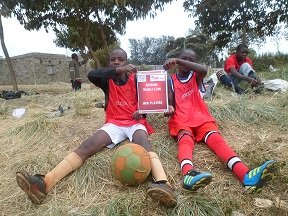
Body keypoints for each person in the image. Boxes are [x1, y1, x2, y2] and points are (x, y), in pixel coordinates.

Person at [16, 48, 177, 207]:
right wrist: (119, 69)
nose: (116, 62)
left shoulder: (136, 78)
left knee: (144, 143)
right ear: (109, 63)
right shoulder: (106, 79)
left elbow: (153, 96)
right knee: (88, 145)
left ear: (127, 61)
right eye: (113, 59)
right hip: (114, 122)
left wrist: (143, 111)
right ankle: (45, 183)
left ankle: (164, 184)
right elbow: (91, 75)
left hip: (135, 122)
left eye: (120, 60)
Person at [163, 48, 277, 193]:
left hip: (200, 116)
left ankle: (246, 176)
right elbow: (171, 100)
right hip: (181, 118)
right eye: (183, 58)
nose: (186, 62)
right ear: (177, 60)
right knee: (185, 140)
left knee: (216, 140)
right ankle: (188, 174)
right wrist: (170, 107)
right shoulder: (170, 80)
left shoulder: (196, 76)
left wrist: (179, 60)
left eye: (191, 60)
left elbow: (204, 69)